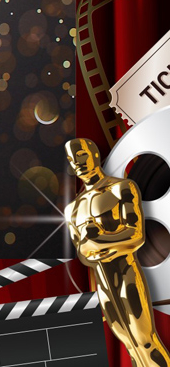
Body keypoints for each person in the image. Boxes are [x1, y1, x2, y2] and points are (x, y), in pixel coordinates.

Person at [64, 138, 170, 366]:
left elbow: (135, 235)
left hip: (126, 273)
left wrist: (98, 240)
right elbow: (82, 253)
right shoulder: (72, 209)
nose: (77, 163)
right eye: (72, 159)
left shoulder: (121, 188)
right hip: (103, 284)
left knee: (145, 341)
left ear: (94, 154)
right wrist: (100, 244)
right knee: (130, 346)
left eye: (81, 155)